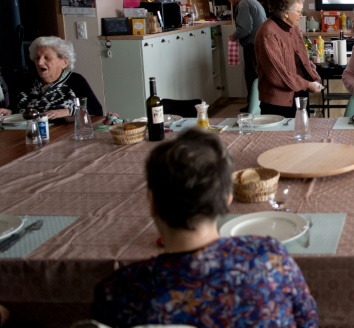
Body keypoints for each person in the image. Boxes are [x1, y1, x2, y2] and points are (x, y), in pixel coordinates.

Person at [91, 128, 319, 327]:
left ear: (152, 202)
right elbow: (308, 321)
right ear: (228, 198)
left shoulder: (119, 292)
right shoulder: (269, 257)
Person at [255, 0, 322, 117]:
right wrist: (307, 84)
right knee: (280, 137)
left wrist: (314, 77)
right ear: (285, 13)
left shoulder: (294, 26)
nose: (301, 16)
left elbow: (303, 58)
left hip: (300, 95)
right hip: (279, 103)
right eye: (298, 12)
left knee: (302, 133)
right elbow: (279, 75)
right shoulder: (268, 33)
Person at [17, 36, 103, 119]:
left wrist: (68, 111)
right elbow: (15, 109)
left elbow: (96, 111)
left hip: (66, 132)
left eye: (47, 58)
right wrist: (8, 111)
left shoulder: (76, 81)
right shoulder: (27, 81)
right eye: (37, 58)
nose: (39, 63)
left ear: (64, 62)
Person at [223, 0, 267, 112]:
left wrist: (234, 36)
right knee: (256, 75)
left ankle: (253, 106)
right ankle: (256, 104)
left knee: (252, 75)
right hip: (259, 43)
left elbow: (244, 29)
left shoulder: (243, 4)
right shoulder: (251, 0)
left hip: (252, 45)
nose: (229, 0)